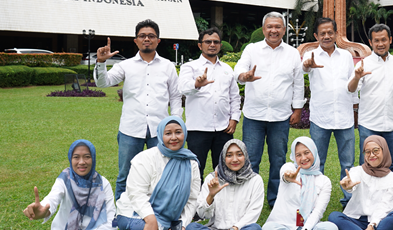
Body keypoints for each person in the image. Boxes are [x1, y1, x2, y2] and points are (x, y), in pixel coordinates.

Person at [95, 19, 182, 201]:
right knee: (125, 174)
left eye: (151, 36)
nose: (146, 39)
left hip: (160, 130)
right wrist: (101, 63)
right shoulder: (125, 66)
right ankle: (123, 213)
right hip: (130, 129)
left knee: (160, 173)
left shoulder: (167, 66)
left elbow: (175, 96)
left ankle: (157, 211)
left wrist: (175, 122)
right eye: (142, 36)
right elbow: (103, 82)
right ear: (136, 41)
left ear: (158, 40)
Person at [21, 140, 126, 230]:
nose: (81, 162)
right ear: (70, 159)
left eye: (87, 157)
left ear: (93, 159)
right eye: (76, 157)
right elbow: (52, 198)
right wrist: (42, 210)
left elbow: (112, 223)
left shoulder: (103, 184)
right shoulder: (64, 179)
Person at [235, 12, 305, 206]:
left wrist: (297, 109)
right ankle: (249, 199)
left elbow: (298, 83)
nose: (273, 30)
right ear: (263, 29)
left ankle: (275, 199)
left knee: (278, 160)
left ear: (284, 29)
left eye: (278, 27)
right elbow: (239, 68)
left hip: (280, 117)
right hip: (254, 116)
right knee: (251, 159)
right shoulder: (252, 49)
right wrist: (244, 76)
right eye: (269, 27)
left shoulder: (292, 53)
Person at [116, 116, 200, 230]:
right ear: (161, 135)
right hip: (136, 213)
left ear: (185, 134)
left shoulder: (191, 163)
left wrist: (182, 225)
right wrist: (150, 218)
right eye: (168, 133)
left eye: (178, 132)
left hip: (170, 218)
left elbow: (192, 199)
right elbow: (136, 193)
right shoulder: (145, 158)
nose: (173, 137)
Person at [347, 23, 393, 205]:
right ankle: (364, 200)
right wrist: (357, 77)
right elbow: (351, 89)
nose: (380, 43)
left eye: (384, 40)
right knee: (366, 164)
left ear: (390, 40)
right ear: (370, 42)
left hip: (392, 124)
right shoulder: (363, 64)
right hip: (369, 124)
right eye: (376, 40)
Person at [184, 140, 264, 230]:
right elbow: (203, 214)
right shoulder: (212, 178)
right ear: (223, 157)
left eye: (239, 154)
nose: (234, 159)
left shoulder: (255, 180)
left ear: (245, 155)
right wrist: (211, 195)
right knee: (191, 229)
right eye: (229, 155)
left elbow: (253, 214)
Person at [303, 17, 358, 207]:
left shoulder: (346, 56)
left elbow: (353, 83)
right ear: (316, 36)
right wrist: (308, 66)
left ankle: (349, 201)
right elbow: (304, 68)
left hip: (345, 117)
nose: (326, 36)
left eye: (330, 32)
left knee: (348, 163)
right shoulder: (310, 56)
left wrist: (355, 108)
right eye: (322, 33)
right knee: (316, 161)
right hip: (320, 117)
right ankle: (315, 199)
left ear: (336, 34)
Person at [261, 137, 339, 230]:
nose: (303, 158)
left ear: (313, 152)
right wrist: (288, 177)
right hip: (282, 228)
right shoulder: (289, 167)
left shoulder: (324, 181)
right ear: (294, 157)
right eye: (298, 155)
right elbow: (285, 175)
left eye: (306, 153)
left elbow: (318, 212)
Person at [327, 136, 393, 230]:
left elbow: (385, 206)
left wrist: (371, 226)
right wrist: (347, 185)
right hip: (356, 220)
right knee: (334, 217)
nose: (372, 155)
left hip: (380, 222)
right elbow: (351, 181)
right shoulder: (358, 171)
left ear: (384, 151)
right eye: (367, 152)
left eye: (376, 151)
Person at [179, 27, 241, 181]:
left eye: (216, 42)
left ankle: (221, 202)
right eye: (208, 42)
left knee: (224, 169)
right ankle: (194, 202)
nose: (212, 44)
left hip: (223, 129)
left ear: (220, 45)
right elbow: (182, 88)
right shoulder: (190, 67)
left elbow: (234, 96)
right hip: (198, 128)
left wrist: (234, 119)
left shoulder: (227, 69)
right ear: (200, 45)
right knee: (195, 170)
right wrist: (197, 83)